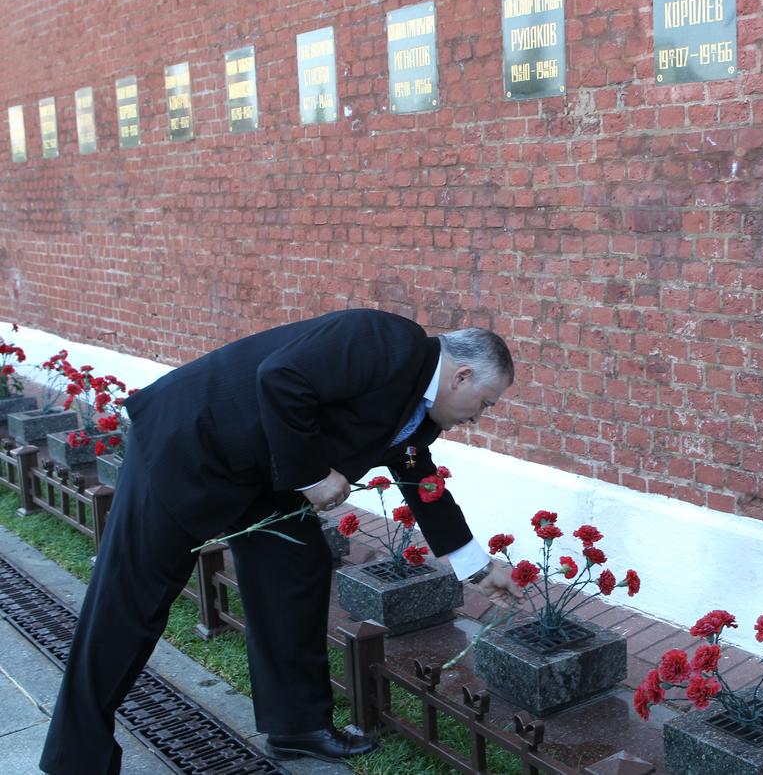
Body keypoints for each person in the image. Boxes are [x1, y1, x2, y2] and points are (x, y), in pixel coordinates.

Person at [40, 308, 520, 773]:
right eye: (484, 403)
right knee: (131, 601)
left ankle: (297, 728)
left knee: (296, 565)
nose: (478, 417)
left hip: (261, 477)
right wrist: (312, 475)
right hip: (188, 446)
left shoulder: (420, 413)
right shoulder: (386, 339)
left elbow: (421, 479)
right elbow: (281, 377)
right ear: (460, 376)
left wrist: (478, 567)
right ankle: (75, 757)